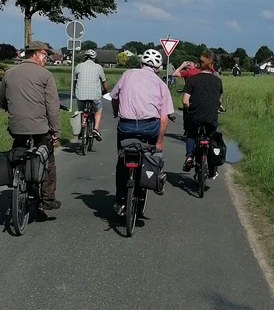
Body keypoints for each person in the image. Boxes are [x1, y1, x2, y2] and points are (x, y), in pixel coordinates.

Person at [0, 40, 62, 211]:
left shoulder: (9, 73)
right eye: (45, 55)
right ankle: (47, 199)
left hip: (16, 125)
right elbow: (52, 107)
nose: (46, 59)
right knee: (48, 158)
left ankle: (17, 179)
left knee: (18, 151)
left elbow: (2, 99)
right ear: (37, 53)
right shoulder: (45, 75)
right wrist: (56, 131)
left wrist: (11, 111)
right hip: (40, 126)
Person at [109, 48, 174, 215]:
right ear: (158, 68)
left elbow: (114, 96)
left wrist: (116, 112)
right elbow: (164, 119)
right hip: (150, 127)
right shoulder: (161, 84)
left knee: (121, 160)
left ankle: (120, 201)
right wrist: (159, 142)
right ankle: (153, 180)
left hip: (126, 126)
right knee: (151, 154)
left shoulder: (127, 74)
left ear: (140, 63)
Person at [182, 51, 224, 179]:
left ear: (199, 64)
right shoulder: (218, 81)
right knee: (211, 137)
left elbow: (185, 101)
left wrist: (189, 109)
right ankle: (212, 166)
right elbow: (219, 100)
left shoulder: (192, 80)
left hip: (195, 116)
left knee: (191, 133)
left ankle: (190, 156)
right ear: (211, 65)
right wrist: (218, 107)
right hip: (211, 117)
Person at [74, 49, 107, 141]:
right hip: (95, 95)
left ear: (85, 57)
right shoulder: (98, 67)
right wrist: (105, 91)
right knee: (98, 110)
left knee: (81, 111)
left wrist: (75, 92)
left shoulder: (78, 66)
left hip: (80, 94)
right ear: (94, 58)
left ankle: (82, 129)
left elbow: (75, 81)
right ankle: (95, 129)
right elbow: (104, 82)